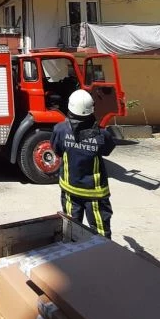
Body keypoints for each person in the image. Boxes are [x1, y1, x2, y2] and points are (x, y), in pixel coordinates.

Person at [51, 89, 115, 238]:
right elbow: (107, 150)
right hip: (95, 194)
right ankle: (101, 258)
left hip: (70, 191)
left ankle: (73, 259)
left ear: (70, 107)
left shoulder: (60, 130)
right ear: (91, 108)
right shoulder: (102, 134)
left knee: (70, 230)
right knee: (100, 233)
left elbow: (58, 150)